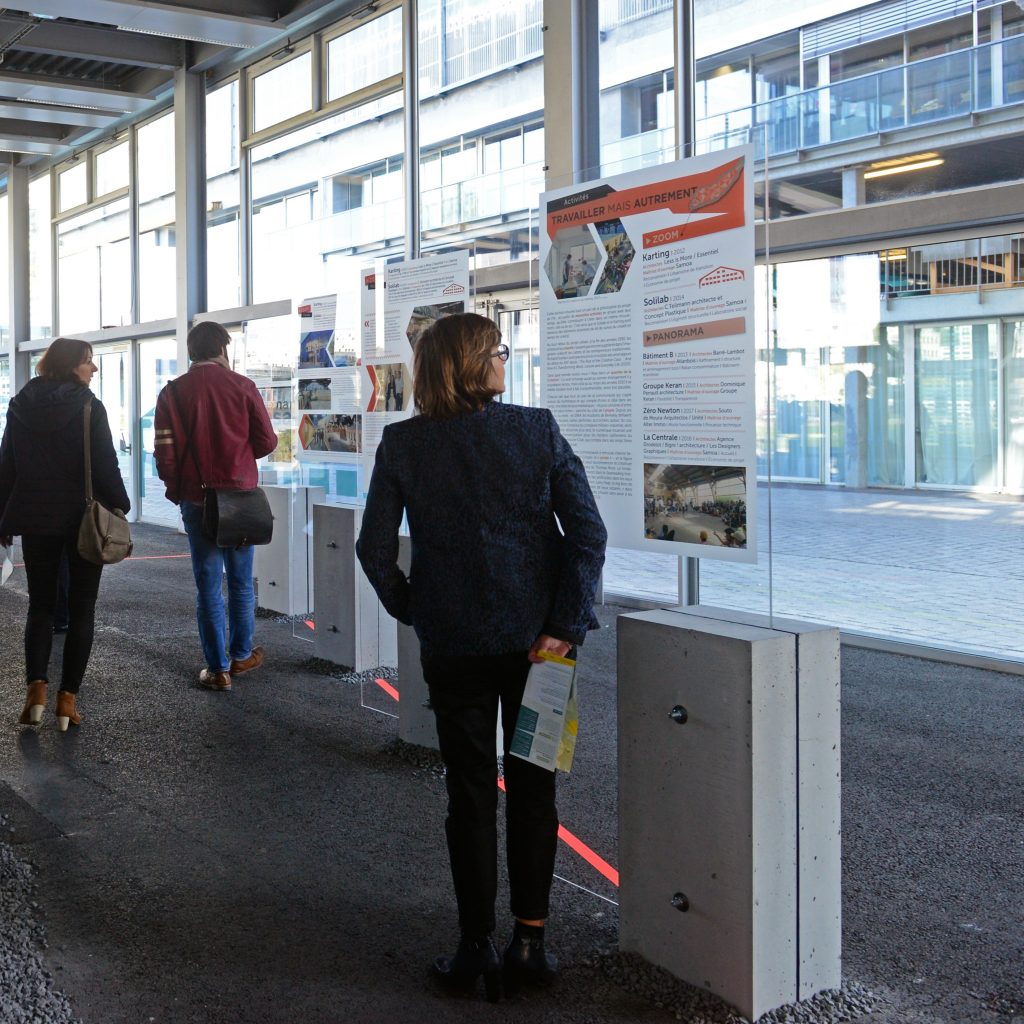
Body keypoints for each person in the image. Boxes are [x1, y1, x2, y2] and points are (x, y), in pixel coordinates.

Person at [356, 312, 607, 1002]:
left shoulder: (404, 445)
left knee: (468, 792)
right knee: (534, 789)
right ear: (470, 363)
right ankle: (530, 943)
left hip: (455, 646)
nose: (505, 359)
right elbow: (588, 535)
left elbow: (373, 551)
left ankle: (474, 946)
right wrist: (563, 624)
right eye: (497, 350)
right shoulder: (536, 430)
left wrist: (419, 608)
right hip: (543, 652)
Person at [0, 338, 130, 730]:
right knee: (82, 608)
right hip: (82, 518)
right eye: (88, 362)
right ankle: (66, 701)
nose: (93, 369)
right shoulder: (89, 406)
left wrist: (2, 519)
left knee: (40, 606)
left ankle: (35, 694)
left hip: (36, 518)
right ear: (72, 366)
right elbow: (105, 465)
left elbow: (7, 463)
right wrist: (121, 506)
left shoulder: (20, 404)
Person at [154, 321, 277, 691]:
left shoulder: (172, 393)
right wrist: (239, 458)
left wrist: (178, 491)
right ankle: (241, 656)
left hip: (197, 498)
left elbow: (165, 453)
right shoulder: (243, 386)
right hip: (239, 498)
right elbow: (268, 442)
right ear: (223, 349)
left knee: (208, 584)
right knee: (240, 582)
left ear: (191, 352)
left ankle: (218, 668)